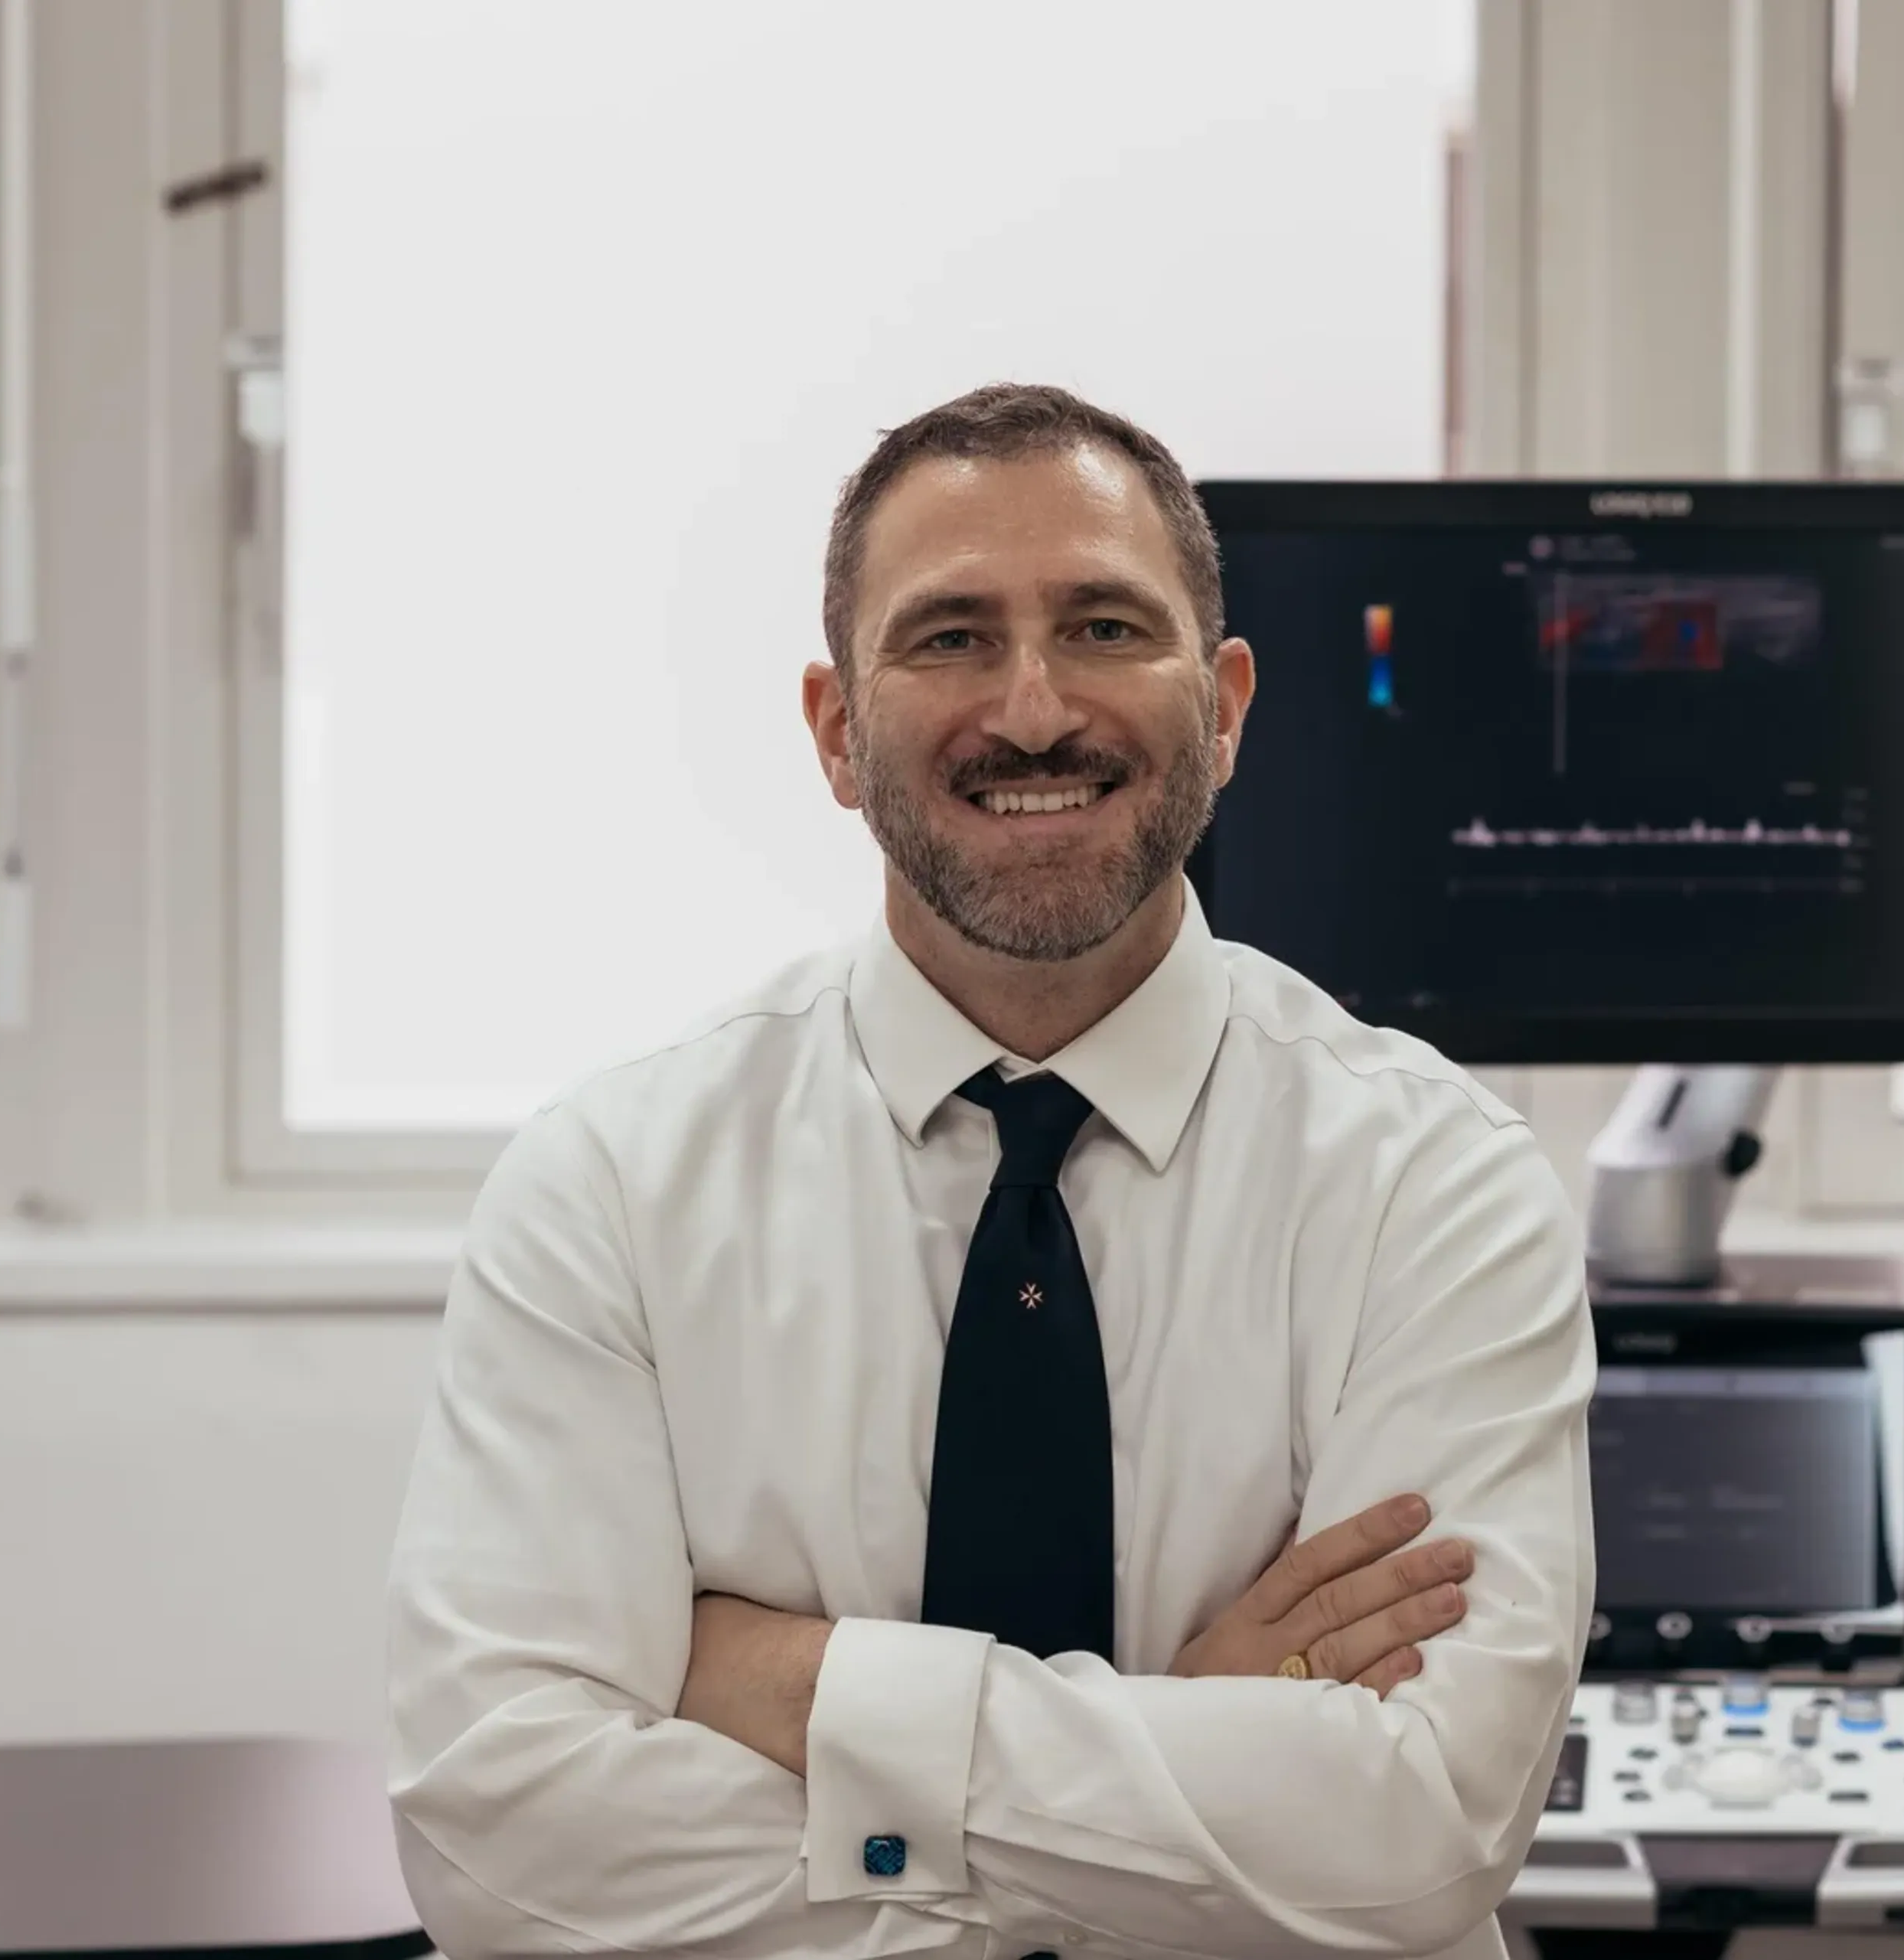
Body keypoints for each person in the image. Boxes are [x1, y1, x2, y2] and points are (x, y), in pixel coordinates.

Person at [386, 383, 1596, 1960]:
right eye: (950, 637)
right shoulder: (609, 1187)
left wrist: (804, 1688)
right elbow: (502, 1841)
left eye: (1105, 627)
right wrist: (1191, 1750)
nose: (1032, 710)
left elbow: (1418, 1831)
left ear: (1226, 707)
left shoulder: (1437, 1184)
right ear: (837, 731)